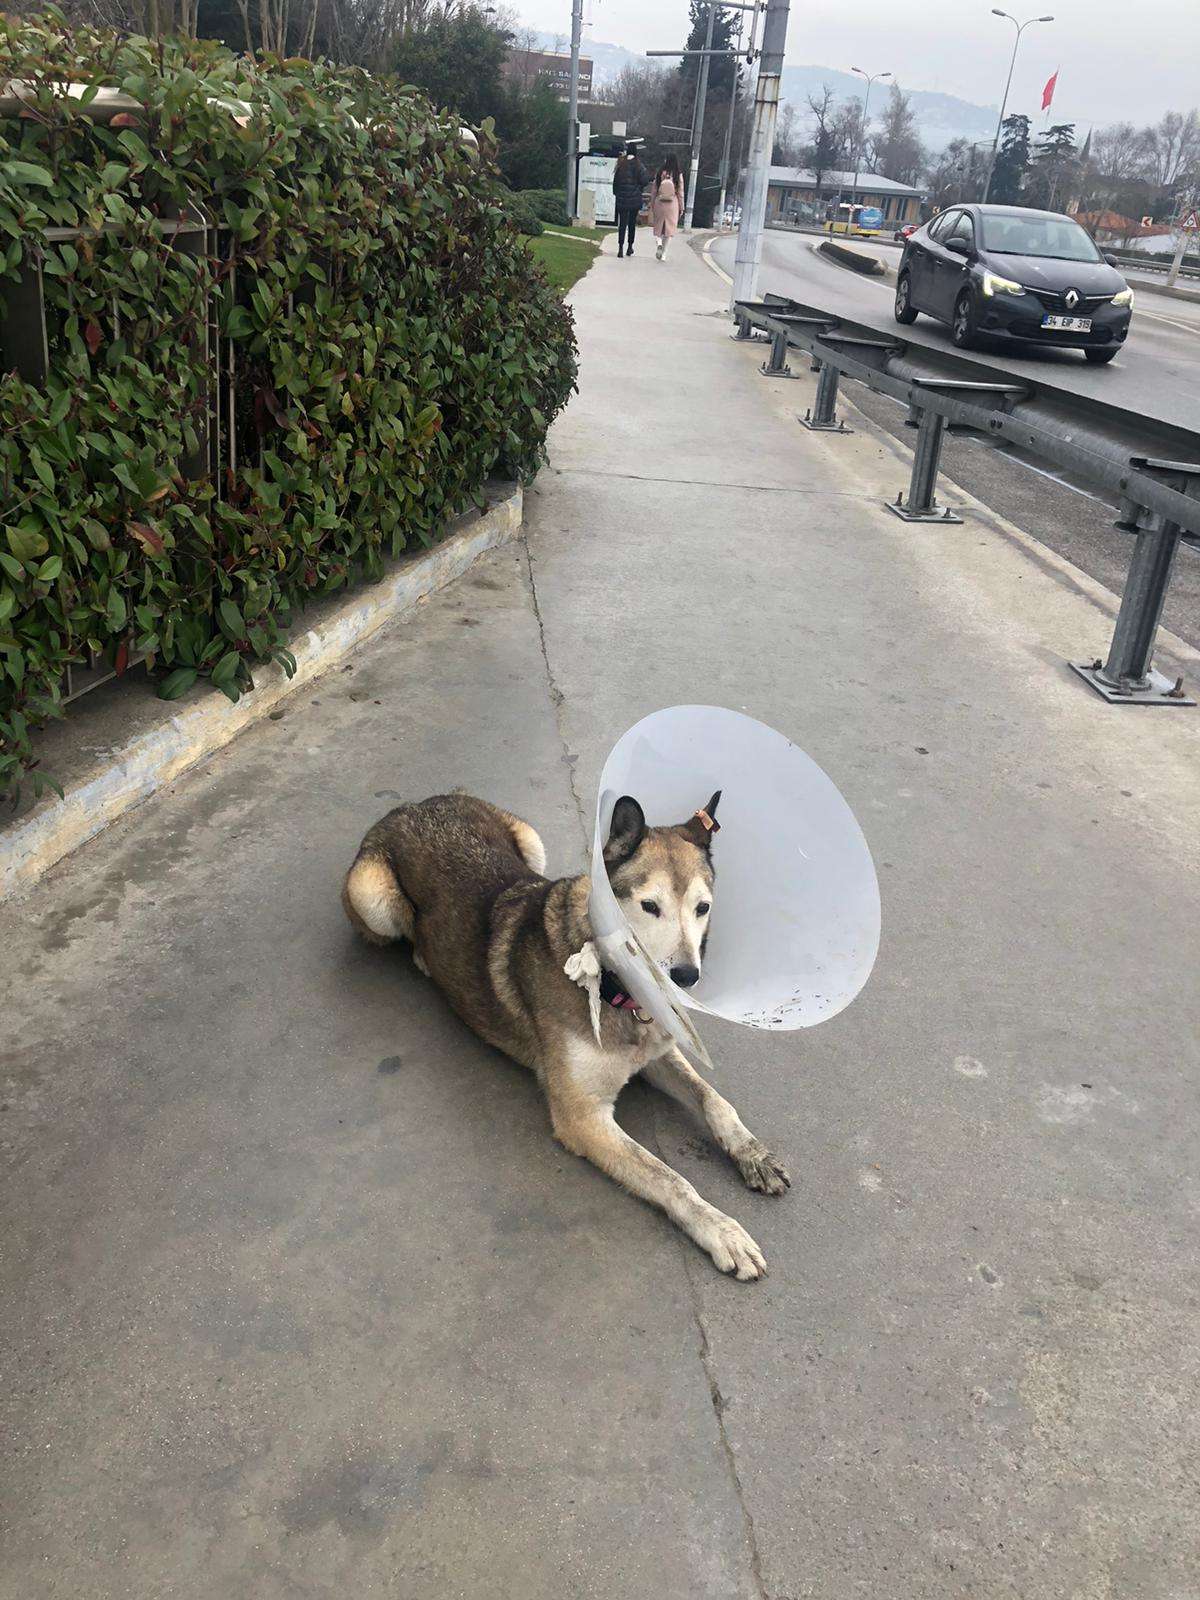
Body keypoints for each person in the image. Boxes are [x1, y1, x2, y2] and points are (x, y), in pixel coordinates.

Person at [612, 146, 649, 258]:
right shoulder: (639, 165)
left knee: (622, 224)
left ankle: (620, 248)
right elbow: (645, 181)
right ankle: (629, 247)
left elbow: (616, 182)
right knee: (632, 223)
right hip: (634, 198)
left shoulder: (621, 165)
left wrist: (617, 193)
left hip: (622, 198)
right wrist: (638, 188)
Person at [651, 155, 684, 260]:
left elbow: (654, 189)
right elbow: (680, 192)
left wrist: (652, 204)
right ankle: (664, 254)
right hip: (672, 204)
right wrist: (681, 207)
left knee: (658, 228)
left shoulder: (660, 172)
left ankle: (659, 243)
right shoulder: (678, 174)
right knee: (669, 231)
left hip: (659, 202)